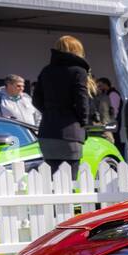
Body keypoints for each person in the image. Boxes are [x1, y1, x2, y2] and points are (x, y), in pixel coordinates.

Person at [32, 36, 92, 172]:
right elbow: (82, 102)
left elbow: (36, 100)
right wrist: (83, 122)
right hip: (70, 132)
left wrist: (50, 111)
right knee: (70, 179)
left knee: (53, 180)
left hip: (47, 132)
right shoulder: (78, 71)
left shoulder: (46, 70)